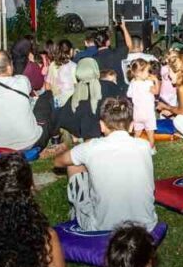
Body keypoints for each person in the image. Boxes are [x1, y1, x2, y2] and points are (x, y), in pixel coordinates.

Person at [53, 96, 157, 232]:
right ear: (132, 126)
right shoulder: (144, 146)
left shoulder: (91, 147)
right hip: (146, 225)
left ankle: (78, 210)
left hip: (103, 227)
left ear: (101, 125)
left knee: (74, 164)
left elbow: (58, 162)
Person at [0, 51, 44, 152]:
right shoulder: (23, 80)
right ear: (10, 67)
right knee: (46, 98)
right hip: (32, 142)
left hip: (2, 147)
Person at [50, 57, 123, 143]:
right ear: (95, 69)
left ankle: (78, 137)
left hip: (84, 133)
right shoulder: (109, 86)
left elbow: (62, 116)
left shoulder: (75, 93)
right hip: (107, 128)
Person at [125, 59, 159, 144]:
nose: (149, 73)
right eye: (148, 71)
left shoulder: (132, 83)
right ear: (139, 73)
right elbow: (156, 92)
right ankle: (151, 149)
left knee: (137, 134)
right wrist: (156, 81)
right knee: (150, 134)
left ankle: (134, 148)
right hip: (148, 114)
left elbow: (129, 94)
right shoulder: (148, 83)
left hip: (137, 114)